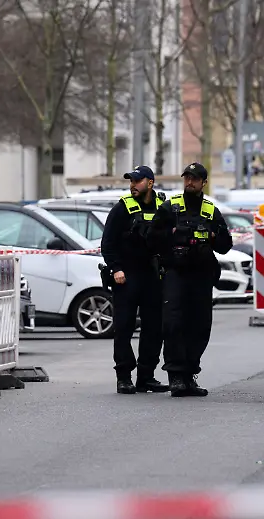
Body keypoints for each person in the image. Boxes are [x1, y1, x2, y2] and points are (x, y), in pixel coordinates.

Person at [149, 162, 233, 397]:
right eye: (187, 178)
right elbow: (152, 239)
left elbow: (226, 245)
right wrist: (173, 235)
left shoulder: (210, 210)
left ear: (204, 182)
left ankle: (189, 375)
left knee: (199, 326)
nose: (189, 182)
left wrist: (212, 237)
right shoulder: (170, 207)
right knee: (174, 324)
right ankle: (176, 376)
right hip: (175, 273)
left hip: (201, 275)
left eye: (194, 179)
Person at [100, 165, 169, 395]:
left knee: (154, 328)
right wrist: (116, 268)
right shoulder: (122, 208)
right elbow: (108, 243)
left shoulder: (162, 207)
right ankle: (124, 377)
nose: (132, 185)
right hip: (126, 277)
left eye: (137, 181)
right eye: (131, 181)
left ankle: (146, 377)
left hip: (153, 276)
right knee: (124, 328)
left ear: (150, 182)